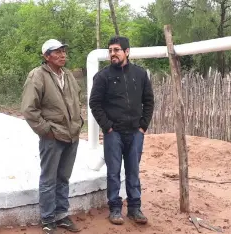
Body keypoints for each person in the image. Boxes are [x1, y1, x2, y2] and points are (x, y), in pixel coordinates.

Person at [89, 36, 154, 225]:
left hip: (135, 132)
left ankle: (135, 209)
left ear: (127, 52)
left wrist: (143, 126)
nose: (112, 54)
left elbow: (148, 101)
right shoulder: (103, 76)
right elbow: (95, 103)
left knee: (133, 171)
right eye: (110, 50)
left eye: (116, 50)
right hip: (113, 133)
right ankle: (115, 209)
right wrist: (107, 127)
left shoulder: (140, 75)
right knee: (113, 172)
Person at [21, 39, 84, 234]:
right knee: (49, 179)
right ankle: (48, 219)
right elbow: (29, 109)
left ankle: (62, 215)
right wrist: (45, 130)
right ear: (46, 56)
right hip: (52, 136)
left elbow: (77, 99)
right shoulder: (37, 76)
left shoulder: (68, 76)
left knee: (63, 177)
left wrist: (78, 122)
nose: (62, 54)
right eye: (57, 52)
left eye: (63, 51)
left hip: (72, 135)